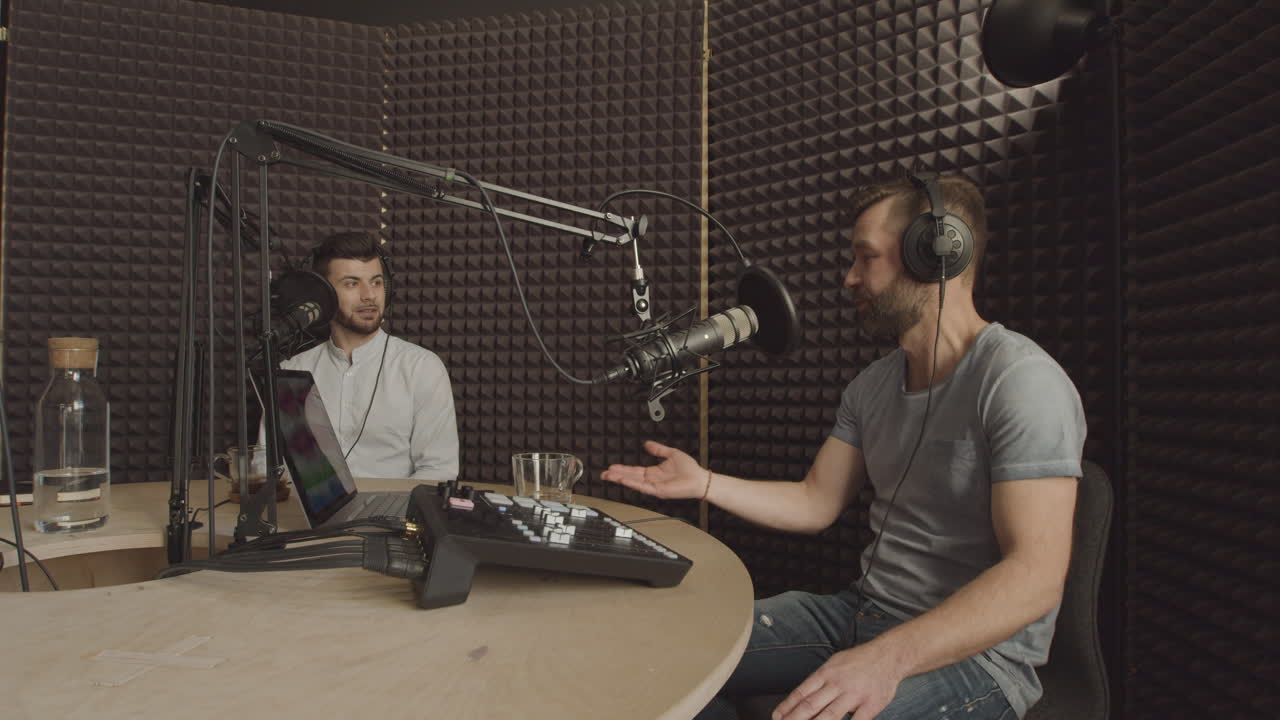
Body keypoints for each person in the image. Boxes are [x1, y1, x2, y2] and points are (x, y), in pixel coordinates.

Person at [601, 173, 1085, 720]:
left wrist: (884, 661)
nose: (848, 278)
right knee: (665, 657)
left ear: (935, 255)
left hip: (977, 660)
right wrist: (703, 483)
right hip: (860, 613)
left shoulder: (1020, 380)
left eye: (865, 258)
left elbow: (1036, 576)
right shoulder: (872, 386)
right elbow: (816, 502)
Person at [274, 231, 459, 482]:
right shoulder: (293, 370)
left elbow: (439, 471)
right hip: (311, 517)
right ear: (322, 295)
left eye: (376, 282)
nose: (369, 295)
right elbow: (269, 460)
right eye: (352, 283)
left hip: (394, 516)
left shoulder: (422, 369)